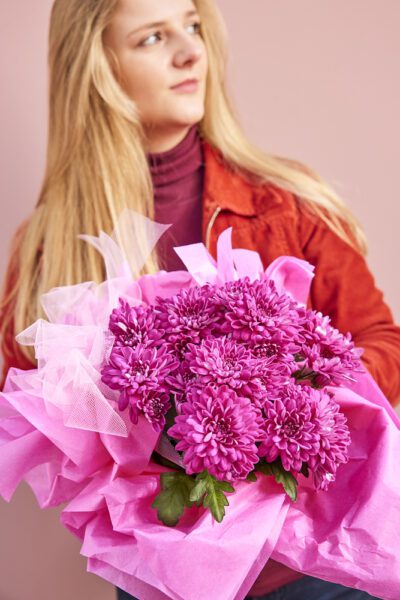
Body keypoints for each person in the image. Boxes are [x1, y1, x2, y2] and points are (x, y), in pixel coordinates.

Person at [1, 0, 398, 598]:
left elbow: (381, 341)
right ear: (97, 67)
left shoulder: (287, 202)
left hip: (316, 570)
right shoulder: (48, 244)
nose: (191, 53)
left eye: (192, 27)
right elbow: (24, 396)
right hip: (159, 578)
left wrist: (292, 410)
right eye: (152, 38)